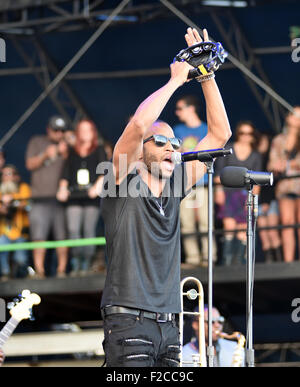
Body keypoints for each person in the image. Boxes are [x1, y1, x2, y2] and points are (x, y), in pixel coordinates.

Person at [100, 27, 231, 367]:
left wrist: (205, 75)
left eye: (176, 144)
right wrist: (176, 79)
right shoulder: (121, 180)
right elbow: (139, 125)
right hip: (128, 321)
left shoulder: (176, 186)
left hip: (170, 325)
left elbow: (219, 134)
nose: (172, 149)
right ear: (141, 152)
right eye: (162, 143)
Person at [57, 119, 107, 275]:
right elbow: (66, 172)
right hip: (74, 196)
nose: (85, 133)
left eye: (88, 130)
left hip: (91, 197)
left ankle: (86, 263)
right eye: (82, 130)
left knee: (88, 230)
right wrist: (62, 188)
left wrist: (97, 187)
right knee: (73, 229)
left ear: (93, 132)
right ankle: (76, 261)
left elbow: (105, 170)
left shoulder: (99, 149)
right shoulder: (72, 151)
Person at [174, 95, 216, 267]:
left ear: (191, 108)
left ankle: (209, 257)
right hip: (185, 182)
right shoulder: (177, 130)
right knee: (187, 222)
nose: (177, 113)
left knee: (206, 221)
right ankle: (193, 258)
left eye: (180, 108)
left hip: (204, 181)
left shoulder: (206, 129)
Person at [25, 115, 69, 278]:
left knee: (62, 237)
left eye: (62, 130)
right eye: (55, 130)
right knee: (39, 236)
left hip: (60, 199)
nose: (59, 133)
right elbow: (29, 165)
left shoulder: (67, 145)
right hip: (39, 198)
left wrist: (65, 153)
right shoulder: (37, 141)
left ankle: (61, 271)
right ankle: (40, 271)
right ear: (48, 129)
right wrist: (45, 155)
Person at [214, 121, 263, 265]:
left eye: (249, 133)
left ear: (253, 136)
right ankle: (227, 261)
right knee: (229, 227)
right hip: (228, 193)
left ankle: (241, 262)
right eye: (242, 133)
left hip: (245, 195)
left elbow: (258, 181)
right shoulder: (229, 149)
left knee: (243, 229)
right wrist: (218, 191)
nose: (245, 137)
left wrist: (253, 200)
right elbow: (219, 174)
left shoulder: (256, 155)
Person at [268, 106, 300, 262]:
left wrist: (291, 164)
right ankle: (288, 261)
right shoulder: (279, 140)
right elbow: (271, 164)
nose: (295, 117)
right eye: (293, 114)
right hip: (285, 186)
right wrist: (276, 166)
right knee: (287, 223)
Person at [0, 165, 31, 279]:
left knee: (21, 258)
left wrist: (10, 199)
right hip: (4, 231)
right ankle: (6, 274)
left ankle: (21, 276)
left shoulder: (23, 187)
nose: (7, 177)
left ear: (16, 176)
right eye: (4, 174)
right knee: (1, 249)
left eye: (9, 174)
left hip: (20, 231)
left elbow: (26, 203)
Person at [257, 134, 283, 263]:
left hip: (270, 200)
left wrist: (267, 201)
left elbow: (271, 185)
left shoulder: (270, 160)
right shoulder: (255, 159)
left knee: (272, 232)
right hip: (260, 200)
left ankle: (279, 261)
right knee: (263, 234)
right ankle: (270, 261)